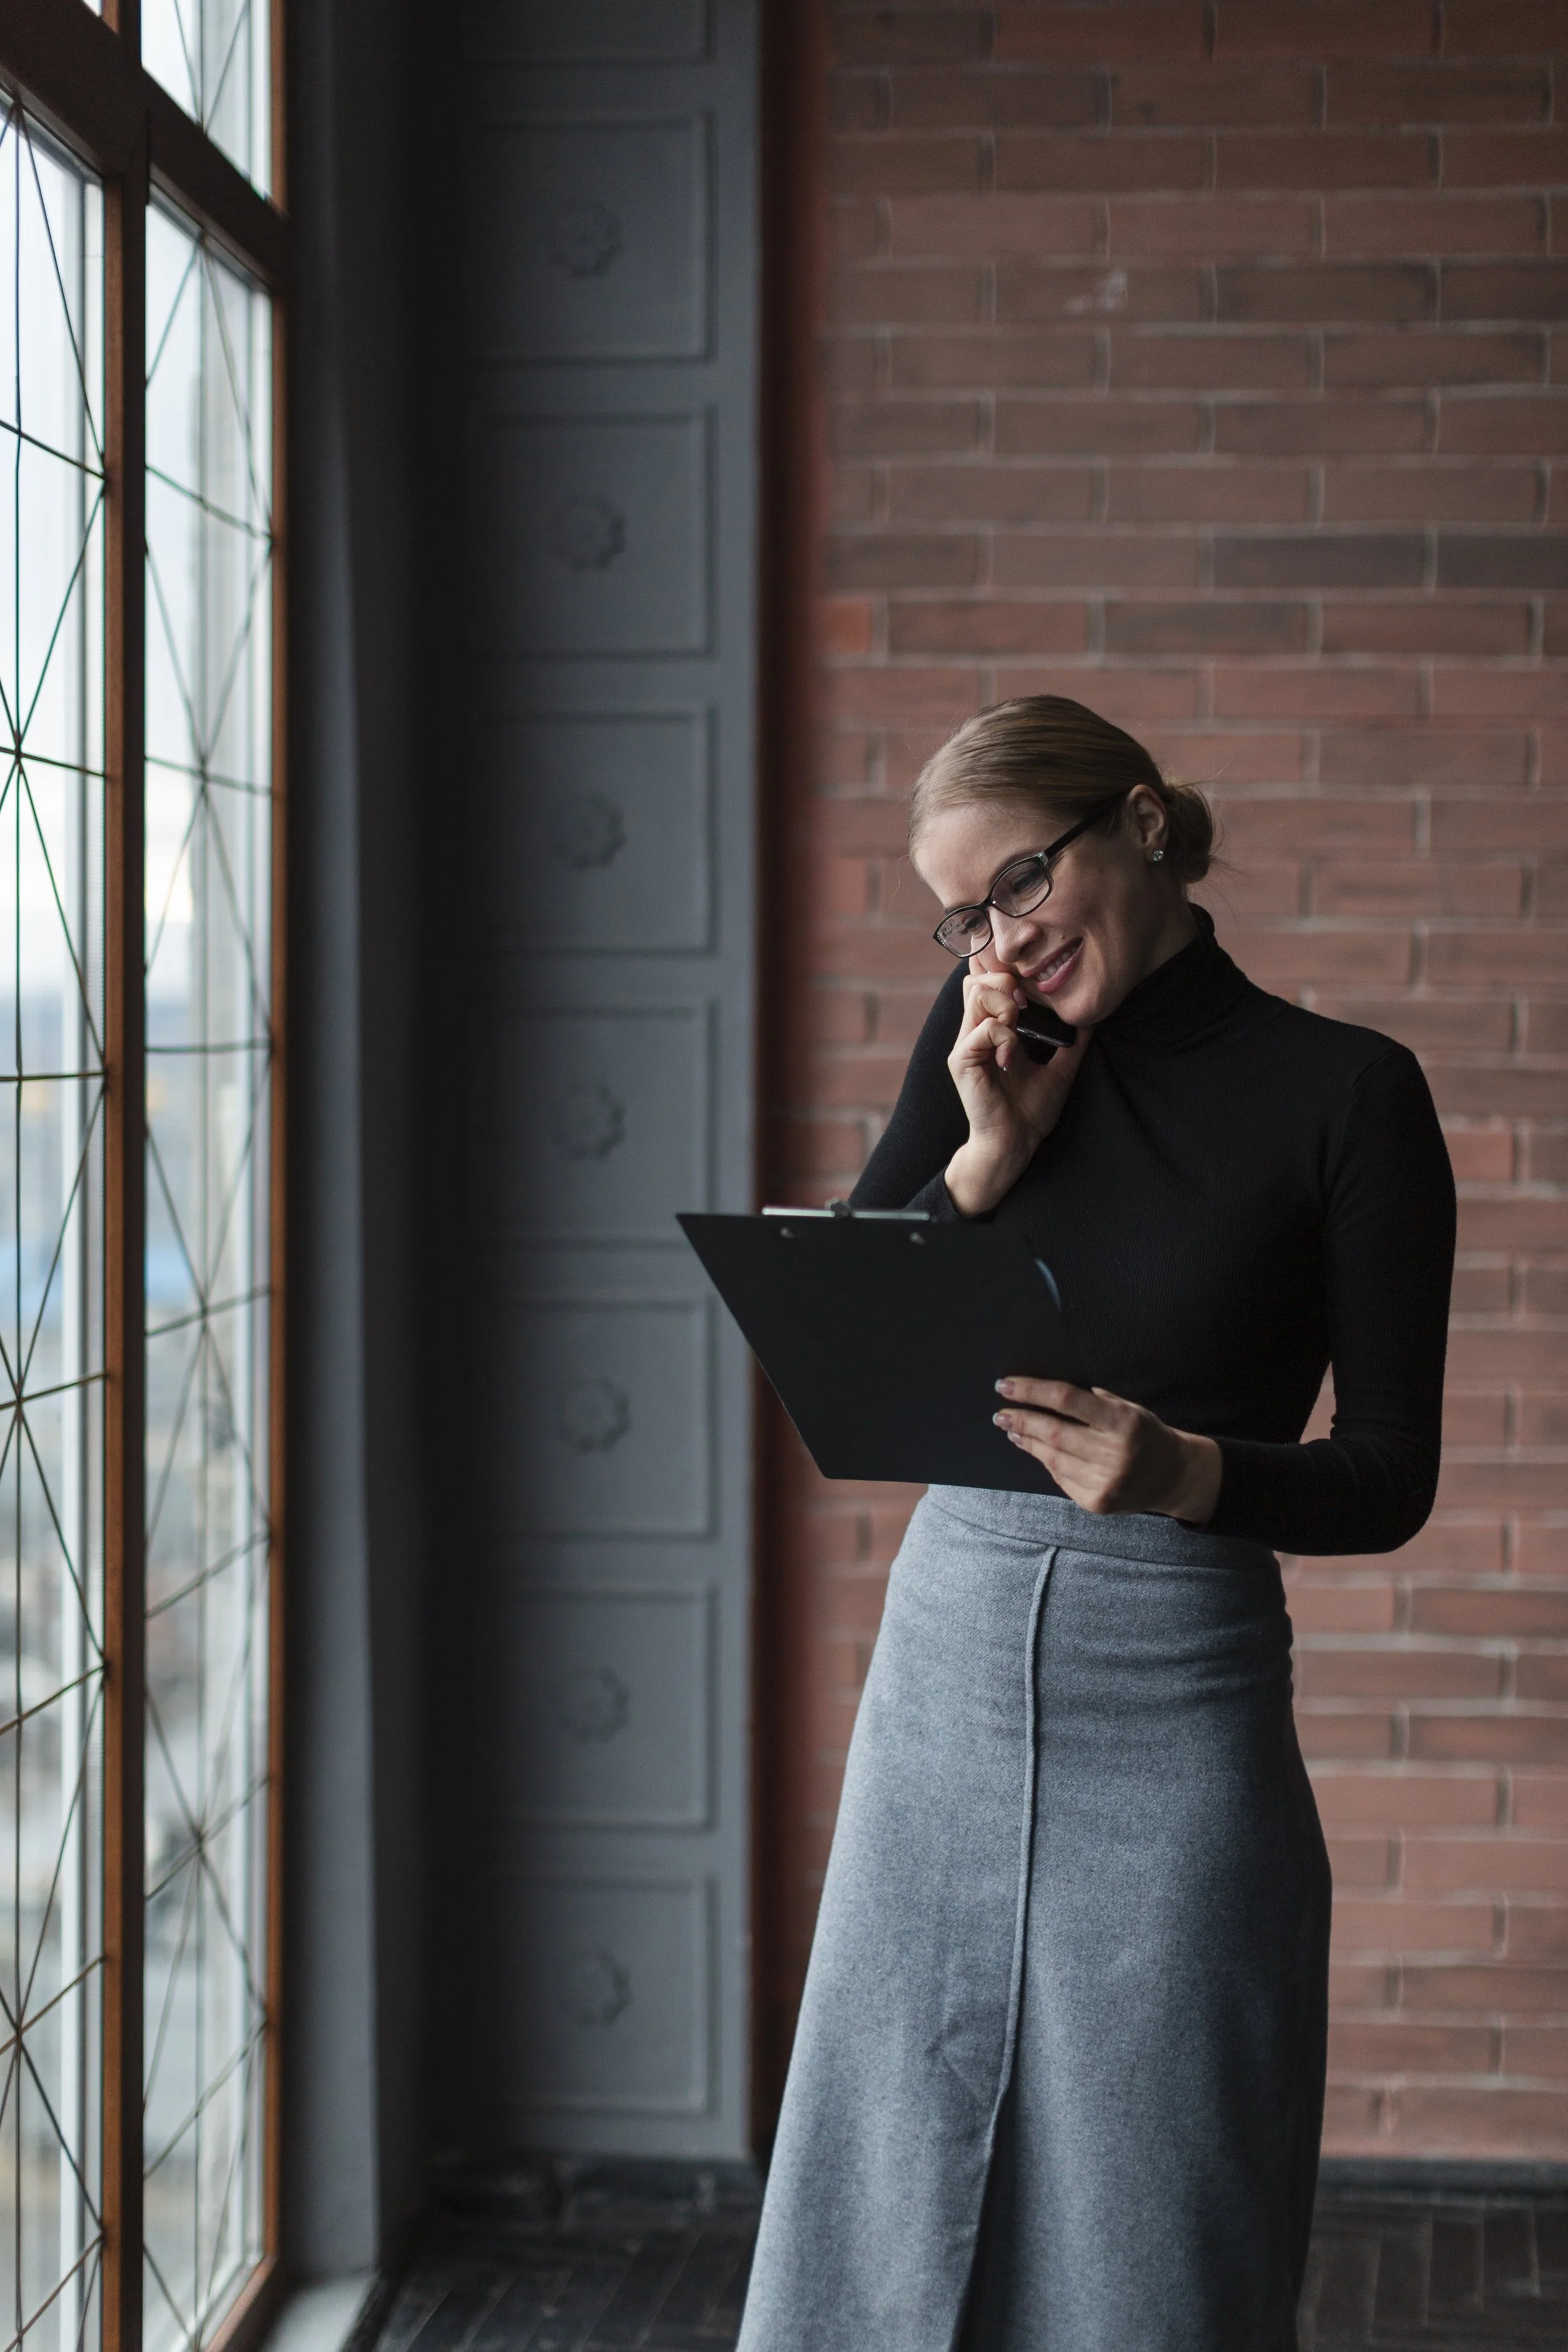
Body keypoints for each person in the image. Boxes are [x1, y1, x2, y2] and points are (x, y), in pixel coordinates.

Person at [736, 696, 1456, 2352]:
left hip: (1180, 1680)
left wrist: (1188, 1475)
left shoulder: (1348, 1095)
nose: (999, 936)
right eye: (965, 913)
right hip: (948, 1672)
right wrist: (986, 1155)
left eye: (1018, 880)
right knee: (888, 2164)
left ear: (1139, 823)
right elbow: (852, 1322)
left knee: (1157, 2207)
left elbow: (1392, 1470)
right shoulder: (981, 1042)